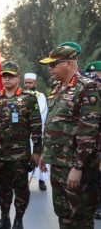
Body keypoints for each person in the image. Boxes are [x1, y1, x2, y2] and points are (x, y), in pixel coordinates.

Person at [39, 46, 100, 228]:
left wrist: (78, 167)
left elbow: (89, 131)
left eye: (54, 65)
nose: (50, 69)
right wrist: (45, 152)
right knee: (63, 213)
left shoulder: (88, 87)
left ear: (69, 63)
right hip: (58, 163)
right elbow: (52, 122)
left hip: (75, 166)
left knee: (80, 216)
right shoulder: (57, 87)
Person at [0, 61, 42, 229]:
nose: (7, 79)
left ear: (18, 78)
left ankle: (19, 219)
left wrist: (37, 151)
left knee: (21, 189)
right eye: (4, 76)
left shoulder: (28, 98)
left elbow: (36, 126)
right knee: (3, 189)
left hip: (20, 155)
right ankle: (4, 217)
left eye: (10, 76)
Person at [23, 72, 49, 191]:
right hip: (23, 133)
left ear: (35, 83)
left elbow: (42, 113)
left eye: (30, 83)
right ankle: (24, 181)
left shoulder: (40, 96)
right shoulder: (20, 95)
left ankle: (41, 180)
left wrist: (32, 126)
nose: (28, 85)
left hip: (37, 132)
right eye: (26, 83)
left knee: (39, 155)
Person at [84, 61, 101, 220]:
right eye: (92, 77)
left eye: (97, 76)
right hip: (93, 140)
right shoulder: (89, 93)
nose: (95, 79)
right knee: (93, 174)